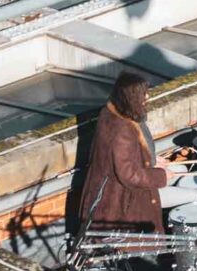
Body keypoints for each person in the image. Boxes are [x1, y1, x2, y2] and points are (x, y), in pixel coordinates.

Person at [76, 69, 181, 234]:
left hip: (111, 191)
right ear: (131, 97)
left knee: (180, 171)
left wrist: (152, 160)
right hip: (121, 201)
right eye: (143, 94)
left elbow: (126, 155)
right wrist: (161, 176)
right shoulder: (122, 130)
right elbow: (129, 174)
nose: (147, 97)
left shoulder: (110, 113)